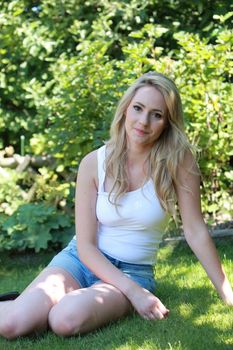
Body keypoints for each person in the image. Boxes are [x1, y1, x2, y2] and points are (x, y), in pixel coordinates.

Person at [0, 72, 232, 339]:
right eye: (138, 108)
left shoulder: (178, 162)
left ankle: (67, 302)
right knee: (12, 325)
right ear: (125, 109)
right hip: (79, 261)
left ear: (167, 123)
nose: (143, 122)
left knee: (64, 319)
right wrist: (136, 295)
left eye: (156, 115)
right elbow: (86, 246)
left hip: (132, 270)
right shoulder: (93, 163)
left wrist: (226, 292)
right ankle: (17, 305)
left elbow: (195, 230)